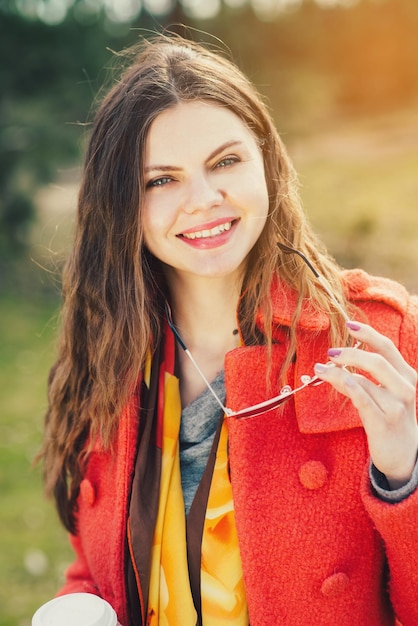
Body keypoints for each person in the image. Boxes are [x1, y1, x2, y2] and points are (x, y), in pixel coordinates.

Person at [39, 33, 418, 626]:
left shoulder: (380, 335)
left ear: (265, 162)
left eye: (225, 161)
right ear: (123, 204)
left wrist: (404, 476)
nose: (204, 200)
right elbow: (94, 570)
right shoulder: (109, 354)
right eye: (161, 180)